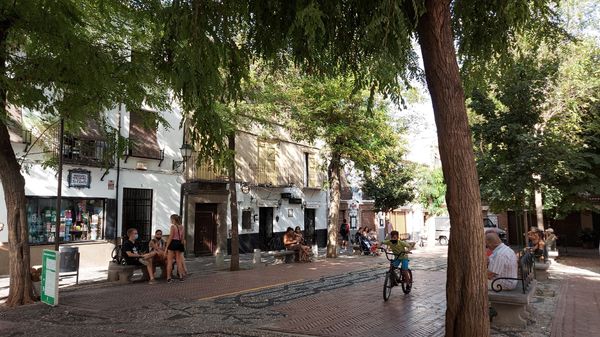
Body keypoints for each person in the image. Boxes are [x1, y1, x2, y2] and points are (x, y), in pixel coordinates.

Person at [166, 214, 186, 283]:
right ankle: (181, 277)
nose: (170, 221)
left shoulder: (173, 226)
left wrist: (166, 247)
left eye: (171, 219)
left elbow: (170, 237)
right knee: (179, 261)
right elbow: (183, 238)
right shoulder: (182, 227)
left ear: (173, 220)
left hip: (173, 243)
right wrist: (181, 245)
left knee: (170, 261)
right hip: (179, 243)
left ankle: (169, 277)